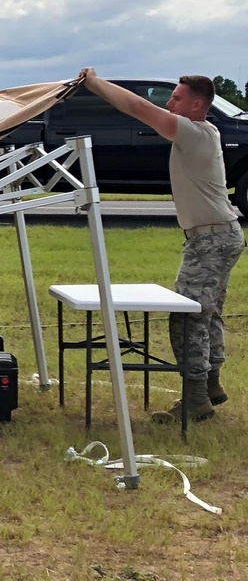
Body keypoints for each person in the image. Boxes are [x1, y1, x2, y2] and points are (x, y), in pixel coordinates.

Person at [79, 68, 245, 423]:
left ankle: (196, 399)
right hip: (222, 234)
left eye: (177, 97)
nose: (169, 103)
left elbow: (139, 108)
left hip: (211, 240)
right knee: (208, 313)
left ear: (197, 104)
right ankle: (211, 383)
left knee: (188, 319)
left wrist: (94, 83)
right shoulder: (206, 129)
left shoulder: (193, 130)